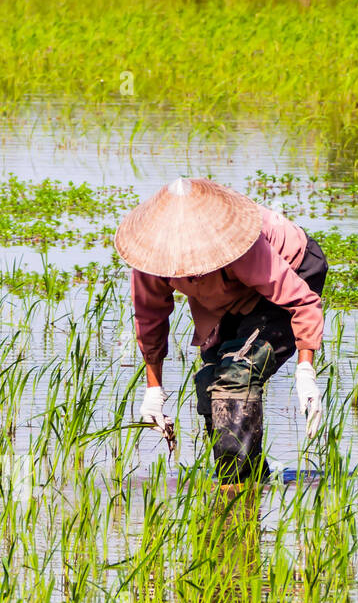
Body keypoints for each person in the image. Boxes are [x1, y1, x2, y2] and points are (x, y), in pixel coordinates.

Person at [115, 178, 328, 477]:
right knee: (209, 383)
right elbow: (149, 320)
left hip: (290, 268)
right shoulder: (152, 257)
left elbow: (302, 301)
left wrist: (306, 372)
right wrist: (154, 389)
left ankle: (240, 485)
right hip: (227, 293)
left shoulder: (239, 244)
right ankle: (247, 479)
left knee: (238, 373)